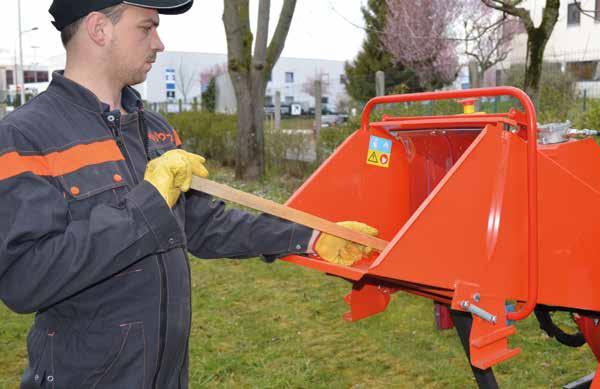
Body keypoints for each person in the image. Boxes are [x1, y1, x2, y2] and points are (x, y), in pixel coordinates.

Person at [0, 1, 375, 387]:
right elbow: (25, 279)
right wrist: (148, 202)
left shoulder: (154, 129)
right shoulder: (24, 137)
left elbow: (203, 222)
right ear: (99, 29)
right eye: (146, 28)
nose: (159, 43)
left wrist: (307, 237)